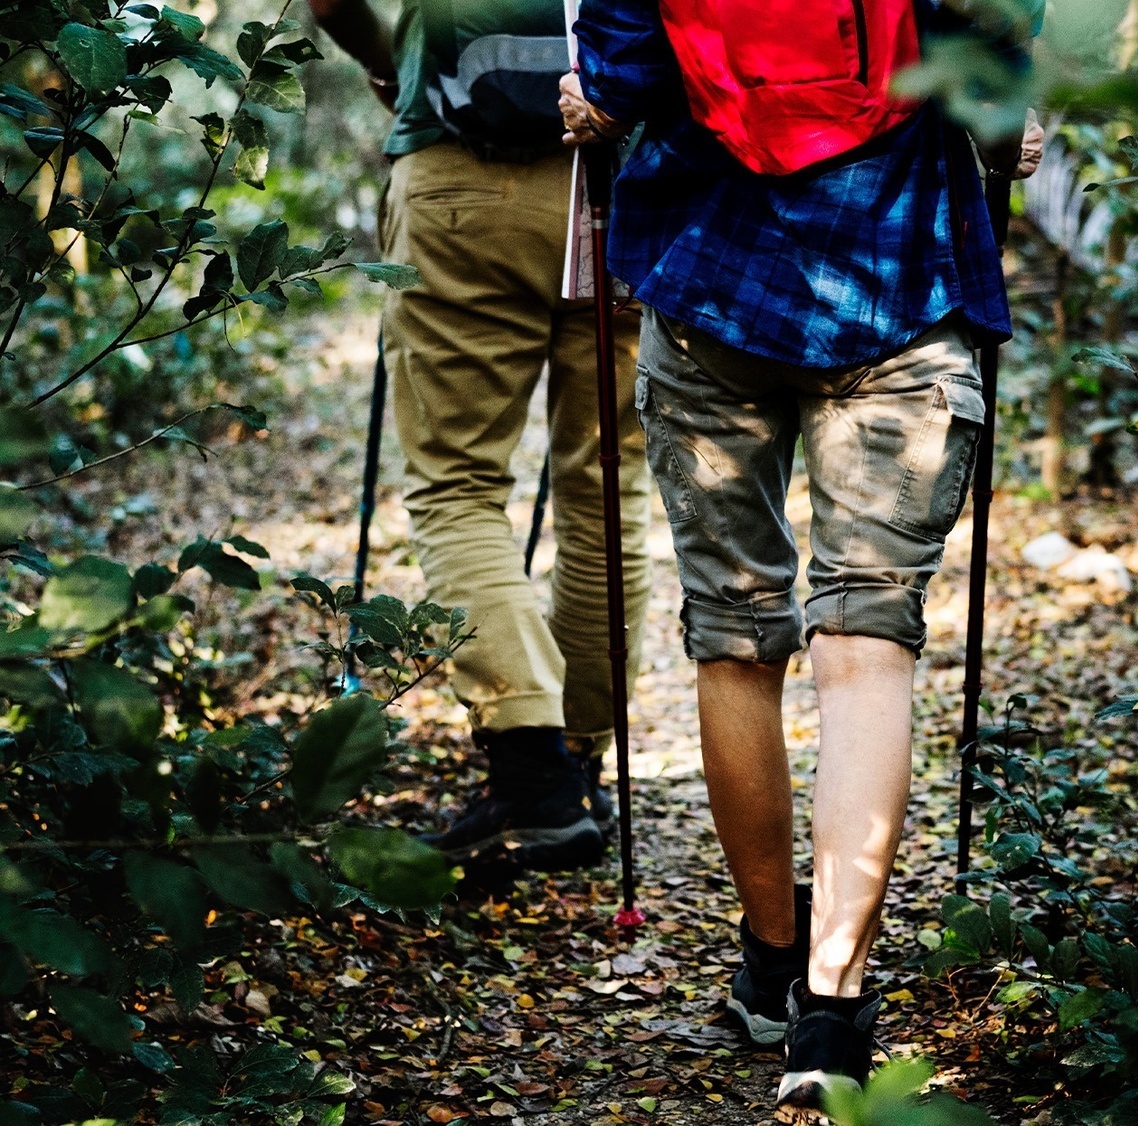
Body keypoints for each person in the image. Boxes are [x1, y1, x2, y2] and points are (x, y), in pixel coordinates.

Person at [562, 0, 1039, 1109]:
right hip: (902, 284)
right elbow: (997, 69)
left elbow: (616, 80)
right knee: (866, 641)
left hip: (709, 285)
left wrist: (586, 102)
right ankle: (831, 1009)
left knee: (734, 633)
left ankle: (769, 966)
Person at [307, 0, 652, 871]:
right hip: (628, 178)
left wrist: (387, 63)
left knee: (456, 484)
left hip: (464, 173)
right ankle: (578, 762)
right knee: (606, 482)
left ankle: (533, 777)